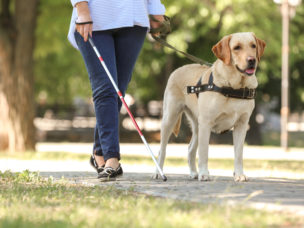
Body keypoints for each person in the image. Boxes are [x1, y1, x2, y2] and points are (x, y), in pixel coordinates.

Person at [68, 0, 166, 181]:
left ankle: (99, 152)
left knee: (117, 91)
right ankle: (112, 160)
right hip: (94, 18)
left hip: (133, 19)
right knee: (106, 88)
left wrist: (157, 11)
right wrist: (82, 10)